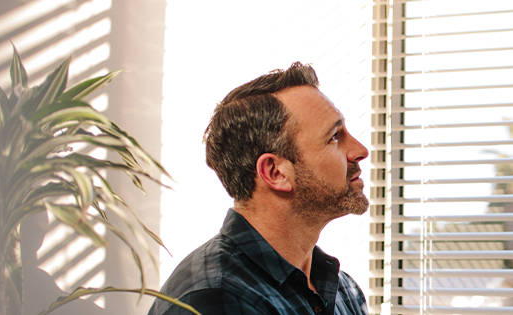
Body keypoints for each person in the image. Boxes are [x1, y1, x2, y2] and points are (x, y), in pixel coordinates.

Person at [149, 62, 370, 315]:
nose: (360, 150)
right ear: (275, 172)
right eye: (334, 137)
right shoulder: (215, 298)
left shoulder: (345, 293)